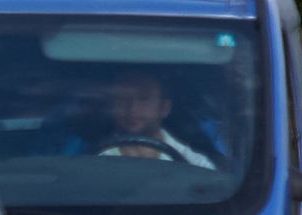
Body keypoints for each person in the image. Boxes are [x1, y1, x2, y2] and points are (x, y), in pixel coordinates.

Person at [85, 69, 219, 171]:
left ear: (164, 108)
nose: (132, 109)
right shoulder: (92, 164)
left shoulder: (195, 164)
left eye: (143, 99)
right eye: (122, 98)